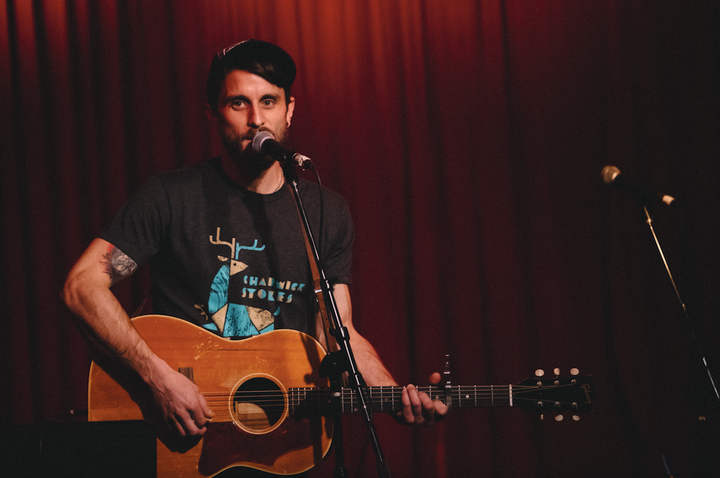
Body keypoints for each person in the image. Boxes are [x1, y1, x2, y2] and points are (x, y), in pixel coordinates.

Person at [62, 39, 446, 475]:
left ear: (290, 109)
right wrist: (156, 379)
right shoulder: (170, 197)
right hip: (183, 435)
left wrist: (394, 395)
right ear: (212, 113)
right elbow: (81, 287)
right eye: (237, 103)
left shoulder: (324, 211)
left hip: (277, 446)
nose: (256, 119)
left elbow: (339, 333)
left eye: (268, 101)